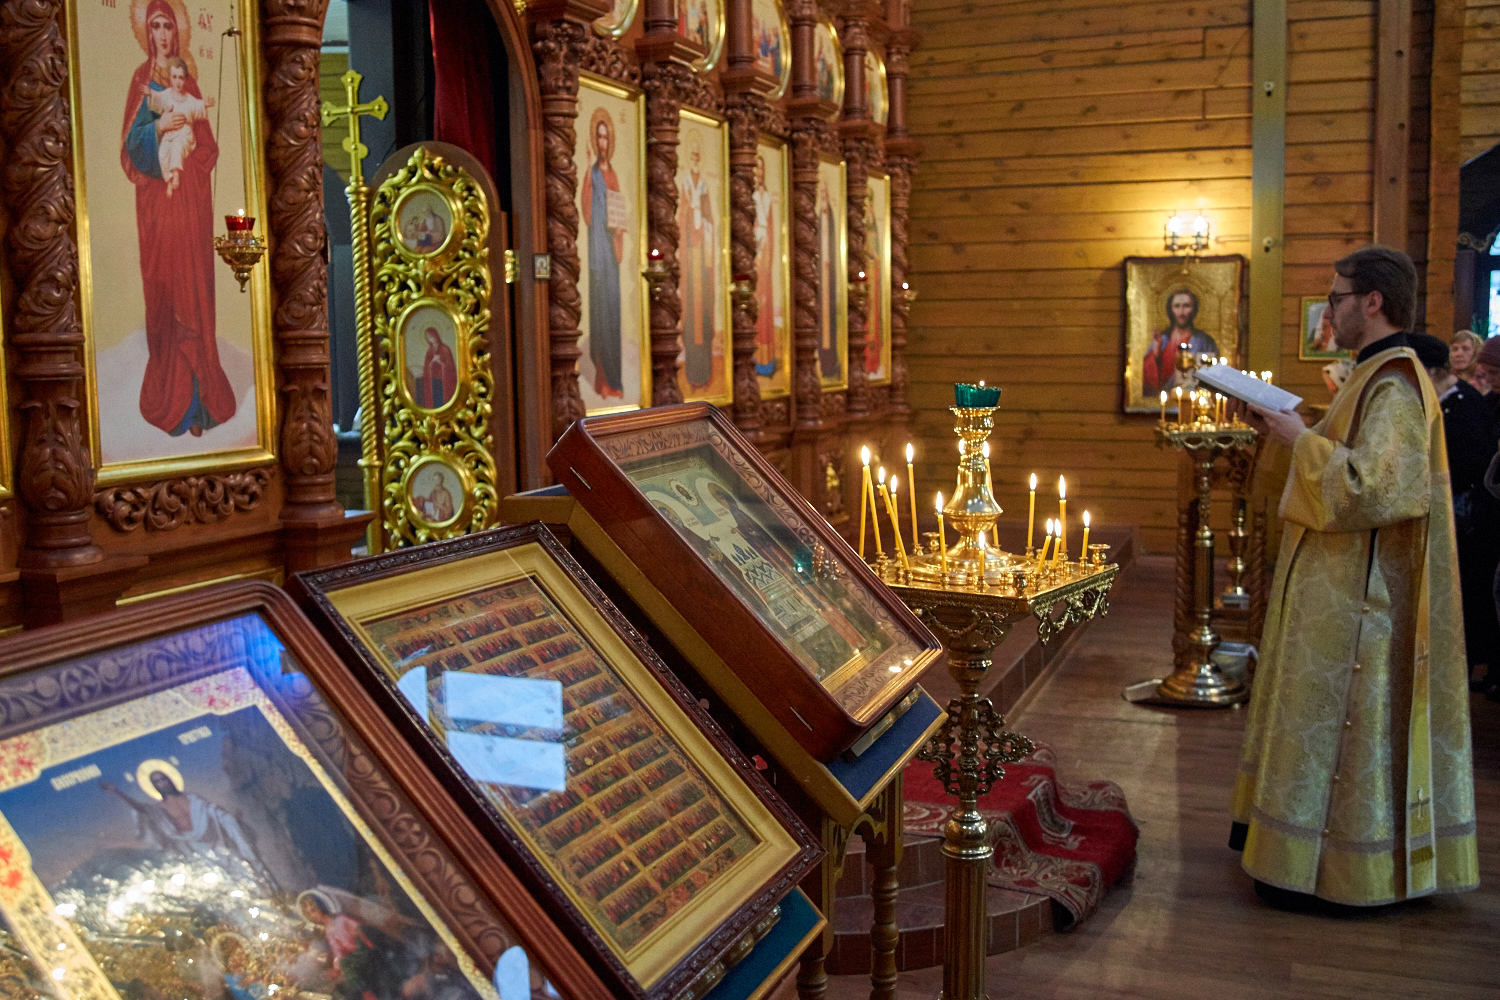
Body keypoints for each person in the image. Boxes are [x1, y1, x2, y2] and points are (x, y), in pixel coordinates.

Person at [1230, 246, 1478, 909]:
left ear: (1372, 302)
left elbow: (1377, 489)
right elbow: (1351, 459)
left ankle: (1341, 871)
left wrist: (1298, 439)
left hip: (1361, 605)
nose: (1329, 313)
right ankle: (1294, 854)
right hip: (1335, 589)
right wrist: (1293, 431)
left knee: (1344, 732)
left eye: (1336, 299)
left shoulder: (1395, 383)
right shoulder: (1372, 374)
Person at [123, 0, 237, 438]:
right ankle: (173, 400)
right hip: (157, 207)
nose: (162, 34)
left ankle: (201, 402)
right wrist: (159, 129)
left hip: (190, 205)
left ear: (176, 32)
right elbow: (130, 147)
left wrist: (190, 156)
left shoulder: (188, 83)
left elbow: (208, 145)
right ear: (147, 33)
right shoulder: (142, 82)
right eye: (155, 26)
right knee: (165, 293)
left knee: (194, 292)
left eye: (168, 26)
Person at [1409, 334, 1500, 695]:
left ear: (1432, 372)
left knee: (1472, 593)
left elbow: (1476, 461)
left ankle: (1477, 669)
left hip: (1469, 512)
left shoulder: (1465, 403)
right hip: (1456, 508)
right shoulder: (1452, 400)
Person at [101, 768, 279, 892]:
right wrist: (118, 792)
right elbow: (142, 809)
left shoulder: (192, 799)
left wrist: (230, 819)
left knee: (245, 869)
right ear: (154, 786)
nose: (162, 783)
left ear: (170, 780)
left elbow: (213, 811)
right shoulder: (160, 809)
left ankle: (272, 894)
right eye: (157, 782)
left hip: (215, 843)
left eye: (163, 779)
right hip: (195, 849)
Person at [580, 108, 625, 399]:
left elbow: (618, 211)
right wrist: (586, 168)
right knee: (600, 316)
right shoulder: (593, 173)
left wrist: (619, 230)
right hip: (597, 256)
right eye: (599, 137)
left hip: (611, 255)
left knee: (613, 312)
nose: (602, 143)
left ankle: (615, 381)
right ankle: (603, 381)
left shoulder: (613, 176)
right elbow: (586, 210)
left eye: (606, 137)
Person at [146, 59, 212, 197]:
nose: (178, 81)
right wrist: (150, 93)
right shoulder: (167, 95)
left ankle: (176, 176)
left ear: (185, 79)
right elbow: (158, 99)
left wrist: (205, 104)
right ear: (170, 78)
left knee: (177, 147)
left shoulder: (189, 99)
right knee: (163, 153)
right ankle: (169, 180)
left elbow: (197, 106)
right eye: (174, 77)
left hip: (184, 135)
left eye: (181, 77)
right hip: (169, 134)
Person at [1141, 289, 1220, 397]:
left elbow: (1214, 375)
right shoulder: (1163, 340)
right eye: (1177, 306)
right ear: (1170, 310)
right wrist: (1156, 352)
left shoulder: (1205, 341)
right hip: (1164, 398)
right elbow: (1147, 377)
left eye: (1186, 306)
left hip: (1193, 397)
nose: (1181, 312)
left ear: (1194, 309)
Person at [415, 327, 456, 409]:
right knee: (434, 397)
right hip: (432, 379)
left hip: (443, 379)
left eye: (431, 337)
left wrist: (441, 362)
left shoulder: (445, 349)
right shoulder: (429, 351)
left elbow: (450, 366)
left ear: (435, 336)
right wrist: (432, 362)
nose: (430, 339)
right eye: (428, 338)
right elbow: (426, 366)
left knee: (442, 399)